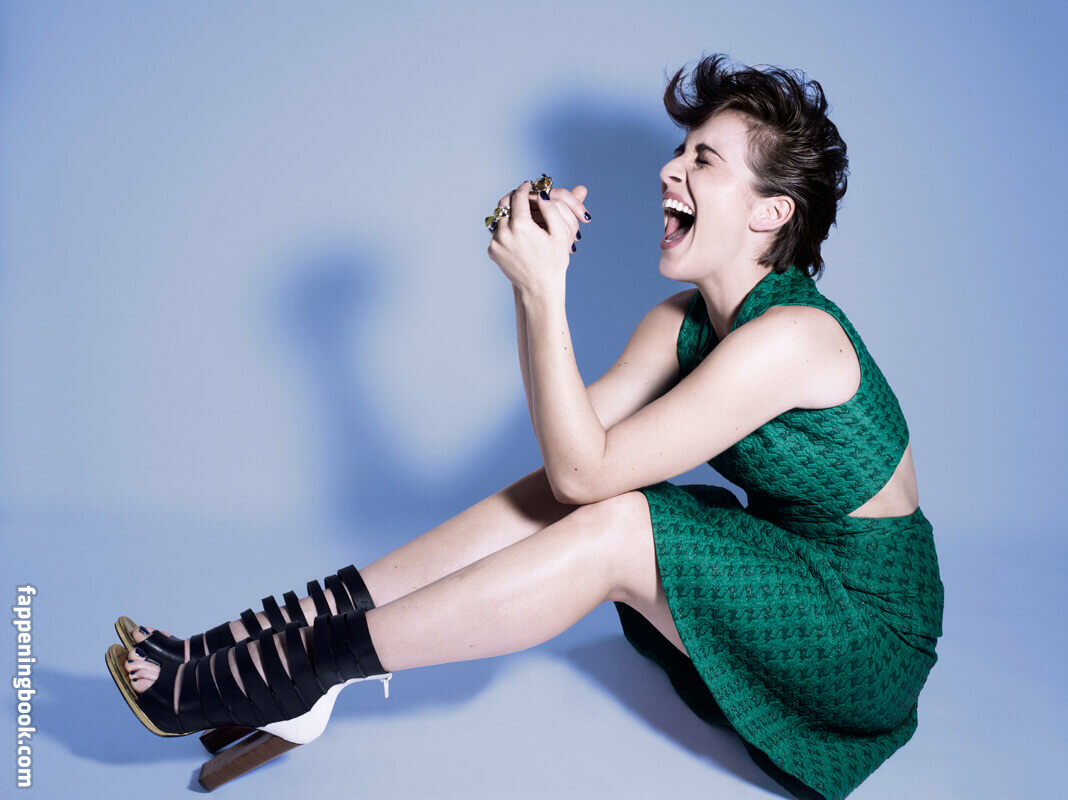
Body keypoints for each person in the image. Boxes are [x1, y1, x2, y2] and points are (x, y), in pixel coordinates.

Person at [106, 53, 944, 800]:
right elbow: (570, 464)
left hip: (864, 638)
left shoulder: (795, 338)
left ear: (770, 213)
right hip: (788, 574)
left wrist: (546, 293)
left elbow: (588, 478)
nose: (669, 168)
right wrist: (530, 286)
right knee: (574, 497)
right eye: (680, 148)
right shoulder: (680, 324)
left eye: (703, 159)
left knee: (624, 521)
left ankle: (302, 671)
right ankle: (260, 643)